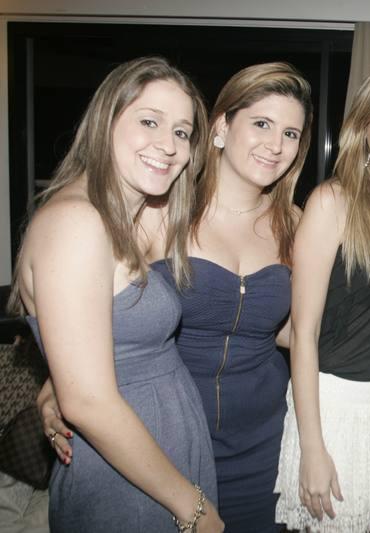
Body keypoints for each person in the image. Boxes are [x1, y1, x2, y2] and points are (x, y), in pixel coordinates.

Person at [42, 62, 313, 532]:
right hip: (168, 442)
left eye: (291, 133)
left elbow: (295, 331)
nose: (276, 144)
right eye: (262, 124)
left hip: (265, 443)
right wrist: (55, 383)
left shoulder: (294, 222)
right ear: (221, 127)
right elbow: (96, 312)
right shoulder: (159, 211)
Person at [10, 57, 223, 532]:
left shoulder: (126, 216)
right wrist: (192, 507)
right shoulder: (75, 222)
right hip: (126, 483)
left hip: (154, 466)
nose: (168, 145)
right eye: (149, 121)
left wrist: (56, 382)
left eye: (182, 132)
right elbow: (88, 402)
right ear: (106, 120)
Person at [274, 62, 370, 532]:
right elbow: (303, 334)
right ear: (364, 123)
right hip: (337, 412)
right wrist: (313, 448)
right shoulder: (332, 201)